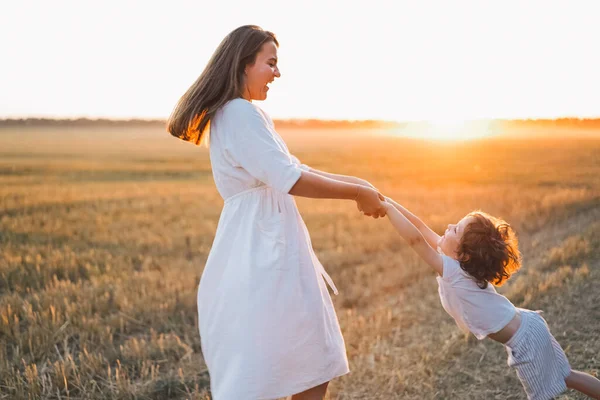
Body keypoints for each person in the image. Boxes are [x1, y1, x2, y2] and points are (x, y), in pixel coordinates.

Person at [167, 25, 386, 400]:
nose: (277, 73)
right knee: (303, 358)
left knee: (299, 359)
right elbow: (290, 178)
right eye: (270, 63)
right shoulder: (238, 114)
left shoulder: (245, 114)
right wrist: (355, 192)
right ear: (243, 65)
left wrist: (360, 186)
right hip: (264, 249)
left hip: (265, 242)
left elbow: (295, 167)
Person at [382, 197, 600, 400]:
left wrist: (388, 209)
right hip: (530, 324)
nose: (447, 227)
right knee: (567, 375)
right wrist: (384, 200)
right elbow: (419, 226)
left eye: (455, 229)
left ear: (464, 254)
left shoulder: (453, 270)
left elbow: (415, 239)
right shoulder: (460, 263)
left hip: (525, 341)